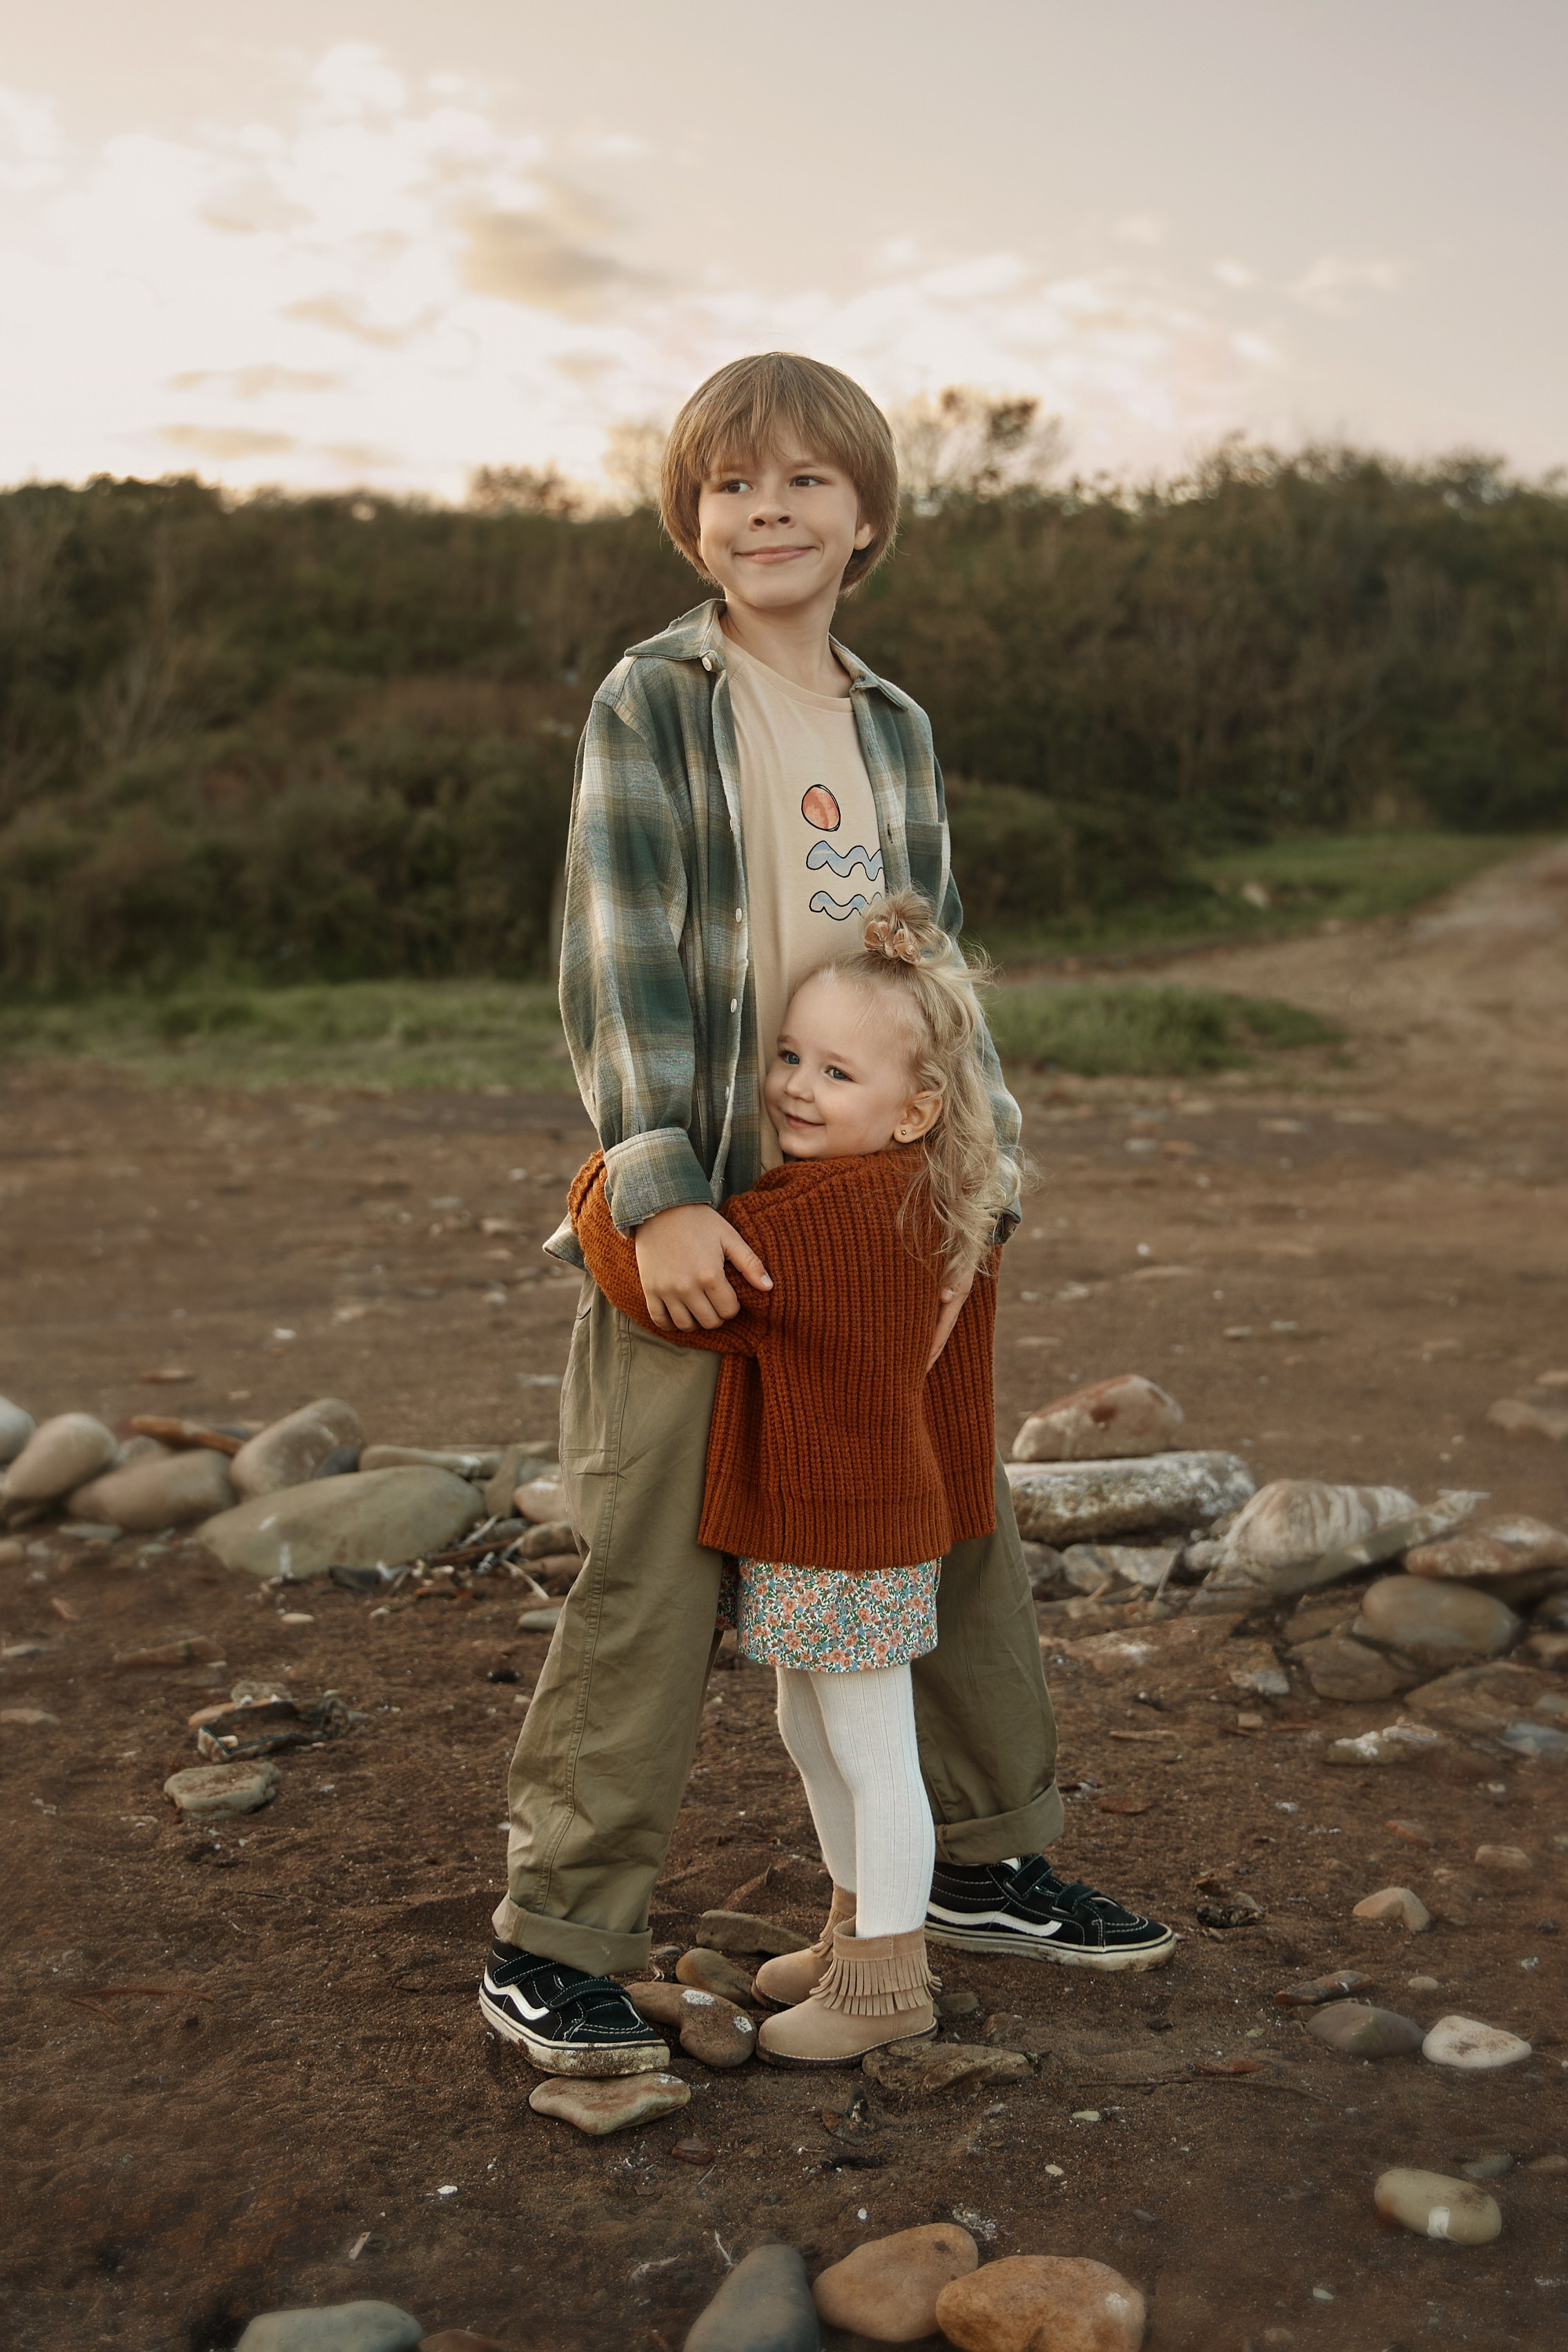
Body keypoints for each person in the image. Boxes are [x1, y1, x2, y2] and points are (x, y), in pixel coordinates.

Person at [479, 351, 1173, 2081]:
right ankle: (556, 1939)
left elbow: (929, 974)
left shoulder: (891, 727)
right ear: (691, 517)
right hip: (713, 1207)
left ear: (866, 516)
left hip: (891, 1216)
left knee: (946, 1526)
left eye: (801, 482)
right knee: (648, 1559)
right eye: (728, 485)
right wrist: (655, 1187)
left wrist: (982, 1177)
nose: (764, 510)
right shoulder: (658, 699)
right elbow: (619, 956)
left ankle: (989, 1862)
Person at [573, 893, 1014, 2066]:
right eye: (785, 1057)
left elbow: (677, 1289)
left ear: (916, 1109)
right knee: (811, 1731)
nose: (794, 1089)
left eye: (835, 1071)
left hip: (851, 1532)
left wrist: (603, 1187)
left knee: (869, 1750)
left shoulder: (830, 1219)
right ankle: (850, 1927)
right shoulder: (921, 1197)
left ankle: (888, 1980)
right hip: (846, 1523)